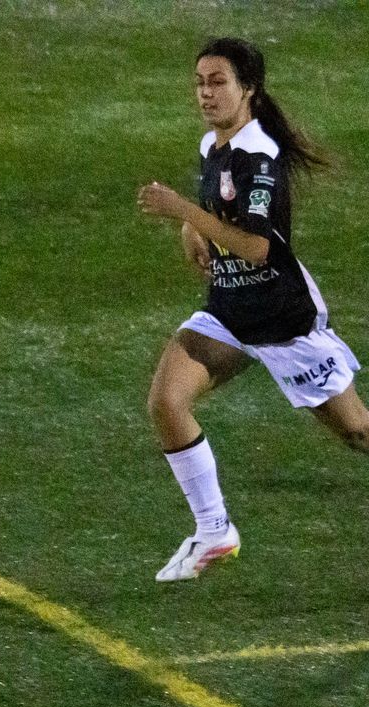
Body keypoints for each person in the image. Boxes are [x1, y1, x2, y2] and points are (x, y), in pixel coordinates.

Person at [137, 37, 368, 582]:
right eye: (200, 82)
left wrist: (182, 211)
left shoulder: (259, 155)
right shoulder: (213, 145)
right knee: (167, 403)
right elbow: (220, 202)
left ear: (249, 90)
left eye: (218, 82)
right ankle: (214, 531)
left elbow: (258, 246)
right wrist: (195, 225)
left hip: (283, 321)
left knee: (357, 432)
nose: (205, 93)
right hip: (229, 312)